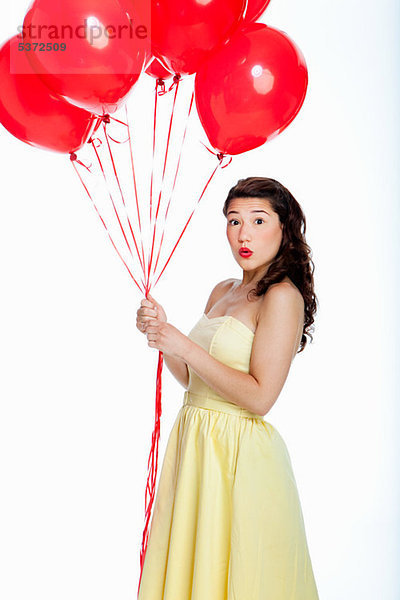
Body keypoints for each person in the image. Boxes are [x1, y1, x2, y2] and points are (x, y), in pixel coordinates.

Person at [136, 176, 319, 599]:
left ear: (284, 228)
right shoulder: (224, 289)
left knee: (238, 578)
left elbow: (260, 397)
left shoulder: (282, 296)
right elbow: (192, 379)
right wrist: (164, 337)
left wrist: (184, 343)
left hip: (238, 455)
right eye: (234, 221)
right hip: (196, 441)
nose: (244, 234)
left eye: (258, 220)